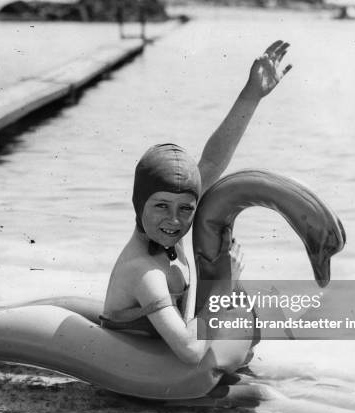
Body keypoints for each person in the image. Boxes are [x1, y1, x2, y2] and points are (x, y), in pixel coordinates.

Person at [101, 40, 292, 365]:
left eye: (186, 208)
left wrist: (251, 94)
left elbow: (213, 162)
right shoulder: (145, 272)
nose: (175, 220)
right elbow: (190, 352)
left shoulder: (168, 234)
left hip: (165, 344)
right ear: (139, 203)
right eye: (161, 206)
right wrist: (223, 286)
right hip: (138, 367)